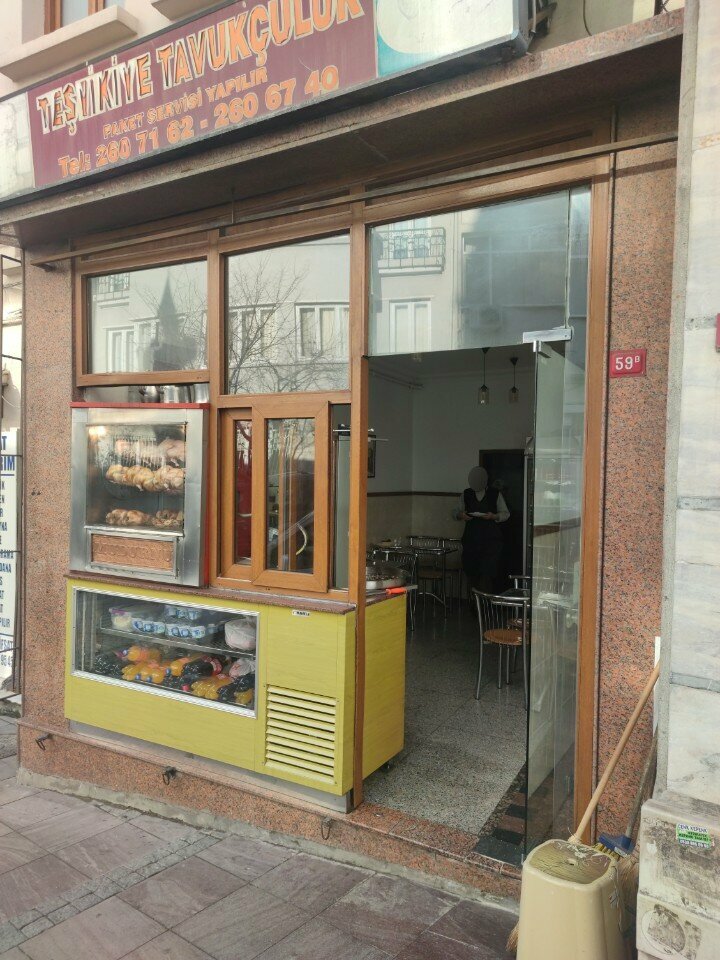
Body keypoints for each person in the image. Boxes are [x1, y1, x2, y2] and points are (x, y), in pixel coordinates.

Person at [461, 466, 510, 594]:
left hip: (490, 542)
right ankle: (473, 603)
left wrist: (494, 516)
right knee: (471, 574)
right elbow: (455, 512)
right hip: (471, 541)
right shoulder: (466, 493)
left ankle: (485, 604)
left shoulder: (495, 494)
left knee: (486, 576)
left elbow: (506, 514)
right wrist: (461, 515)